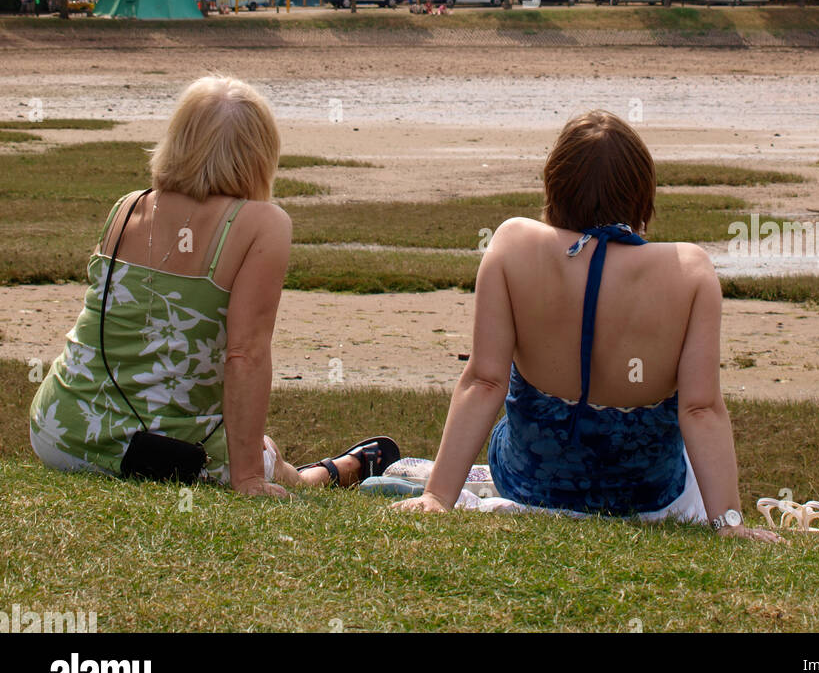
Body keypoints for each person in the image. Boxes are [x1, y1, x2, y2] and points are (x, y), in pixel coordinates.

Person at [392, 110, 780, 541]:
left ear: (554, 185)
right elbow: (700, 409)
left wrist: (439, 497)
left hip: (531, 486)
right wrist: (730, 522)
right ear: (642, 194)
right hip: (649, 499)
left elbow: (485, 382)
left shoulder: (512, 244)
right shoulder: (689, 270)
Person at [30, 76, 398, 497]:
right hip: (160, 449)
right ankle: (332, 473)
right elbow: (246, 354)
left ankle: (324, 468)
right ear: (260, 154)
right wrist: (248, 478)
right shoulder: (263, 223)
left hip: (60, 430)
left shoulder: (127, 206)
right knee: (266, 455)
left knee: (251, 446)